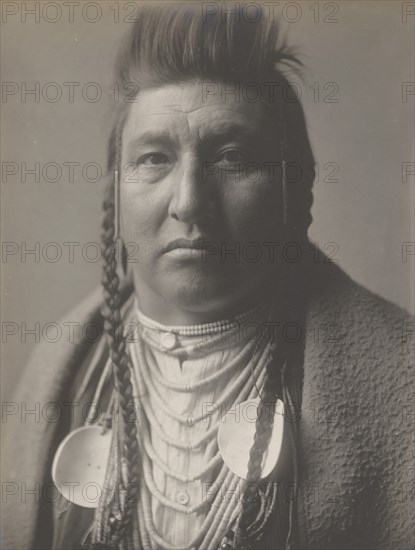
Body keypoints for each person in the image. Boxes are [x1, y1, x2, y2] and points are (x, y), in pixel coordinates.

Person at [3, 3, 414, 550]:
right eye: (154, 158)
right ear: (114, 198)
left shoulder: (398, 378)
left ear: (296, 189)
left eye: (232, 156)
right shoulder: (62, 372)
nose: (191, 202)